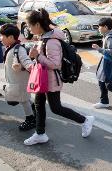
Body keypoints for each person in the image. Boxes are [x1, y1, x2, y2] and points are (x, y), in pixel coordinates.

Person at [24, 9, 94, 146]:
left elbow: (55, 64)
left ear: (37, 24)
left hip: (51, 79)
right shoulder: (45, 37)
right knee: (39, 104)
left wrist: (37, 56)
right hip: (43, 78)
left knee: (56, 108)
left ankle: (85, 120)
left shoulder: (51, 41)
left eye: (30, 25)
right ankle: (40, 133)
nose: (29, 28)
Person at [0, 24, 35, 131]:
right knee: (25, 99)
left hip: (20, 82)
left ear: (10, 37)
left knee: (24, 100)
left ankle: (30, 119)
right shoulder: (11, 47)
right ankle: (35, 110)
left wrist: (25, 67)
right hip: (16, 81)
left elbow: (28, 63)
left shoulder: (19, 49)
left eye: (1, 36)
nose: (0, 38)